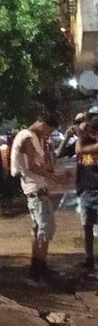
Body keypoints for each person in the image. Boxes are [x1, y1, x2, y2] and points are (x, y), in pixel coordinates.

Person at [10, 114, 60, 281]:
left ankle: (37, 268)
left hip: (33, 191)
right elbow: (31, 165)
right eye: (49, 131)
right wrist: (52, 177)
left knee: (38, 229)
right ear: (44, 124)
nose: (48, 134)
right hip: (36, 190)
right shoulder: (28, 137)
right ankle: (40, 268)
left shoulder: (29, 137)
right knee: (46, 229)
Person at [76, 115, 98, 272]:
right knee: (87, 227)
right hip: (86, 192)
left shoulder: (87, 145)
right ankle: (89, 258)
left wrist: (79, 134)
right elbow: (62, 152)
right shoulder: (87, 141)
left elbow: (79, 150)